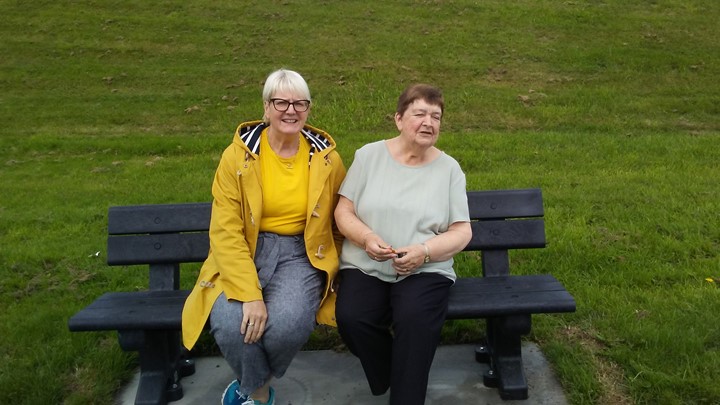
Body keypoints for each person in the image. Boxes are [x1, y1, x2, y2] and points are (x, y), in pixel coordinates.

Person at [181, 68, 346, 405]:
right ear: (266, 108)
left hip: (302, 253)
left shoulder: (327, 159)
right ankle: (257, 393)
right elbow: (226, 231)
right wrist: (249, 294)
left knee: (285, 327)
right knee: (231, 325)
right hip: (245, 250)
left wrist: (340, 265)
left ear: (309, 109)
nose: (291, 111)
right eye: (281, 102)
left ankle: (247, 389)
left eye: (300, 103)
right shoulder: (236, 158)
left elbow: (342, 217)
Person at [334, 83, 472, 404]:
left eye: (435, 116)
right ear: (398, 119)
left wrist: (424, 252)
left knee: (414, 320)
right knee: (352, 318)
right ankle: (395, 371)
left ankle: (406, 392)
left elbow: (462, 231)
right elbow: (344, 210)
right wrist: (367, 238)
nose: (429, 122)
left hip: (426, 269)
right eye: (419, 113)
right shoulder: (368, 156)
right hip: (366, 263)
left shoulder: (449, 169)